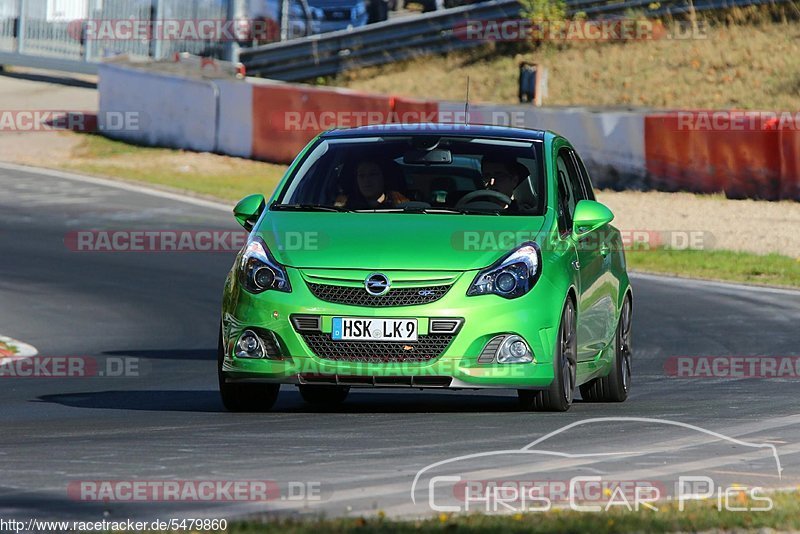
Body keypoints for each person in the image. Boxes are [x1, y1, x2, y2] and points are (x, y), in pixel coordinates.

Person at [336, 159, 409, 208]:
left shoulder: (401, 205)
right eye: (361, 175)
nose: (366, 180)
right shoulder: (343, 207)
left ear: (384, 177)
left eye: (373, 174)